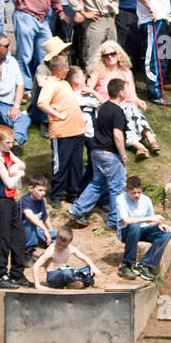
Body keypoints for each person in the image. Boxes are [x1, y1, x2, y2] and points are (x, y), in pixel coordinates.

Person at [68, 76, 129, 230]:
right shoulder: (118, 112)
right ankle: (114, 221)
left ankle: (77, 210)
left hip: (96, 151)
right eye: (125, 89)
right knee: (117, 187)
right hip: (110, 154)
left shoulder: (104, 108)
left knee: (97, 183)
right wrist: (123, 154)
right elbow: (117, 135)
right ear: (121, 93)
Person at [86, 42, 159, 158]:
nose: (110, 57)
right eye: (106, 55)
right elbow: (87, 89)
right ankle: (140, 145)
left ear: (118, 54)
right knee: (122, 116)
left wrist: (139, 101)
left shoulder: (126, 72)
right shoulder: (98, 72)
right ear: (102, 58)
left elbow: (133, 96)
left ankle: (149, 140)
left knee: (130, 109)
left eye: (112, 53)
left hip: (126, 106)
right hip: (107, 108)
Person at [37, 56, 86, 207]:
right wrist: (58, 115)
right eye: (66, 68)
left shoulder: (64, 82)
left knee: (76, 164)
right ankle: (56, 195)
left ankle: (73, 193)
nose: (68, 70)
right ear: (58, 70)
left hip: (77, 130)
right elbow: (42, 103)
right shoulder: (50, 84)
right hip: (62, 132)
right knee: (61, 165)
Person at [0, 124, 30, 289]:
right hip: (0, 200)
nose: (10, 145)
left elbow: (22, 164)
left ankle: (17, 273)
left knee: (19, 237)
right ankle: (0, 275)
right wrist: (18, 174)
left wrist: (16, 167)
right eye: (7, 142)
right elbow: (9, 183)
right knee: (3, 238)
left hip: (10, 200)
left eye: (12, 142)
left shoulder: (8, 153)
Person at [115, 175, 171, 280]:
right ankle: (126, 264)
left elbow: (151, 221)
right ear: (126, 190)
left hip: (142, 230)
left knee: (166, 233)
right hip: (126, 232)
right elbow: (126, 221)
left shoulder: (146, 200)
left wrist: (159, 223)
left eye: (139, 192)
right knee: (134, 226)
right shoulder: (120, 199)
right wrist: (149, 218)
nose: (137, 195)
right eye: (133, 193)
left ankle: (145, 265)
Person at [135, 0, 171, 103]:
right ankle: (154, 92)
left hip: (163, 20)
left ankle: (160, 87)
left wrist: (166, 15)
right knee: (154, 58)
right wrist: (151, 8)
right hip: (152, 22)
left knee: (164, 54)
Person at [33, 223, 98, 290]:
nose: (60, 247)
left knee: (89, 269)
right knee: (67, 272)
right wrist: (37, 285)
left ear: (70, 242)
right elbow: (36, 266)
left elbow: (85, 258)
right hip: (53, 276)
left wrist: (92, 266)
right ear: (56, 238)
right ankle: (82, 281)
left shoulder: (71, 248)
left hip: (67, 272)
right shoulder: (52, 250)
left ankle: (74, 283)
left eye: (64, 246)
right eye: (58, 244)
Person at [20, 175, 54, 260]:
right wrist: (45, 230)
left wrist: (50, 232)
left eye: (44, 191)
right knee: (30, 222)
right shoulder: (24, 200)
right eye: (40, 190)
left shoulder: (40, 200)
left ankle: (45, 256)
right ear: (31, 188)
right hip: (20, 231)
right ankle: (27, 252)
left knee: (59, 236)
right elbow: (29, 215)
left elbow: (45, 217)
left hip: (35, 231)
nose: (43, 193)